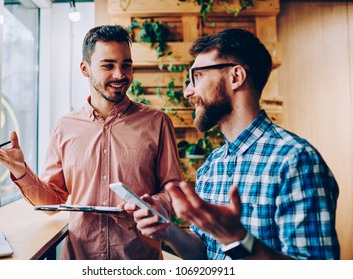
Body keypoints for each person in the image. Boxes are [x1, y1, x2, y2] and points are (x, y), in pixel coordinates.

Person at [127, 28, 340, 260]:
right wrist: (167, 229)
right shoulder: (212, 165)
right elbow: (206, 254)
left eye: (196, 76)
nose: (188, 91)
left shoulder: (295, 160)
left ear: (235, 77)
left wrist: (237, 239)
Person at [0, 25, 182, 260]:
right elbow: (53, 199)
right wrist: (21, 171)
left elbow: (173, 189)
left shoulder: (157, 122)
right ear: (85, 68)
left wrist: (148, 207)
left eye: (126, 65)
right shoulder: (65, 126)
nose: (120, 74)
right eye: (108, 65)